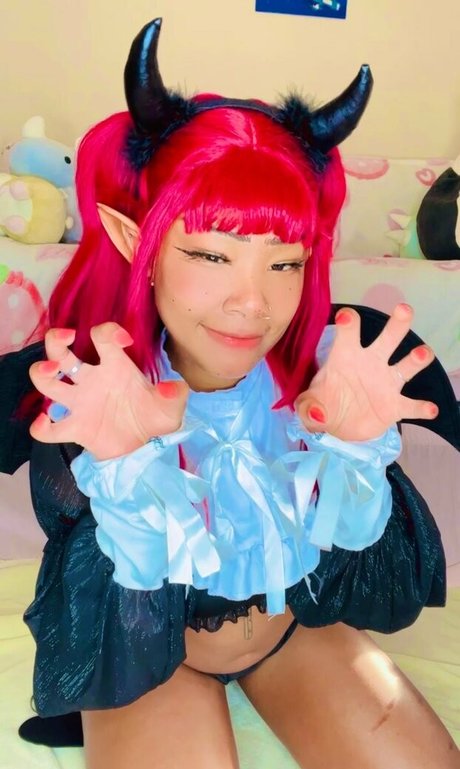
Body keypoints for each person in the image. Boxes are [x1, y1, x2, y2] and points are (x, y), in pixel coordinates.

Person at [8, 17, 460, 769]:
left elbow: (349, 538)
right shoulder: (98, 390)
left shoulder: (326, 374)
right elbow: (133, 575)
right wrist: (124, 462)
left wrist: (357, 450)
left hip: (291, 628)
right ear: (135, 243)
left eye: (284, 263)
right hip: (152, 651)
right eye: (212, 255)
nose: (254, 302)